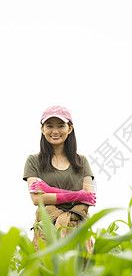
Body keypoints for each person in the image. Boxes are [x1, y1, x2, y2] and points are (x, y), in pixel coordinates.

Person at [23, 105, 96, 250]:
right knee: (46, 270)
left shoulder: (81, 161)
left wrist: (49, 190)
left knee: (81, 271)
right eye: (49, 126)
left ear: (70, 129)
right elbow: (37, 199)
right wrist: (77, 195)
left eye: (61, 125)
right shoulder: (33, 161)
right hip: (47, 230)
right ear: (42, 129)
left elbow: (89, 198)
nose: (55, 131)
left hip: (78, 229)